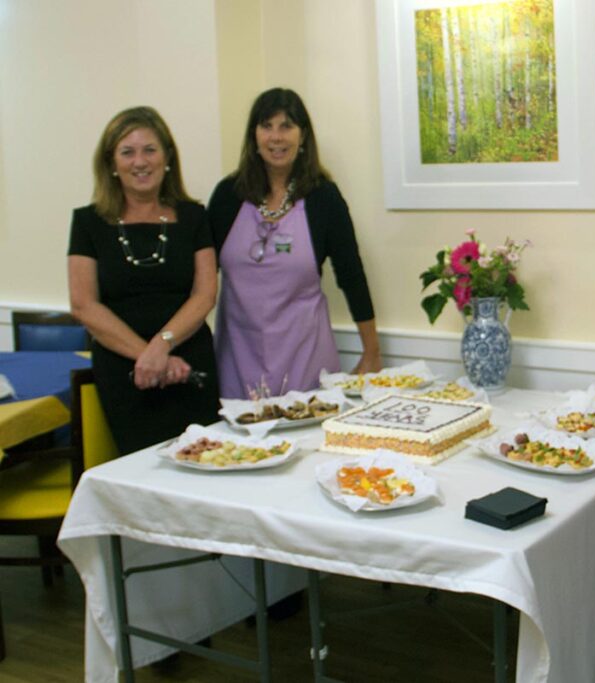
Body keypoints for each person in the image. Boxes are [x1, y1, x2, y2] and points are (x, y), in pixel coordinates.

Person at [208, 88, 381, 399]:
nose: (276, 137)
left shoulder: (323, 198)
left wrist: (372, 352)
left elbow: (351, 275)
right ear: (253, 136)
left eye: (286, 126)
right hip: (237, 359)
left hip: (307, 361)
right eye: (267, 126)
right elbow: (200, 280)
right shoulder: (226, 196)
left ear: (303, 137)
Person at [68, 107, 220, 454]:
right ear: (111, 163)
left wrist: (162, 346)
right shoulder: (87, 222)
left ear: (167, 157)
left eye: (150, 150)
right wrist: (149, 357)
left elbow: (205, 293)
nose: (140, 161)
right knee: (141, 475)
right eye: (128, 151)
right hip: (124, 371)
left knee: (206, 466)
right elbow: (83, 304)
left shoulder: (194, 216)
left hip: (190, 366)